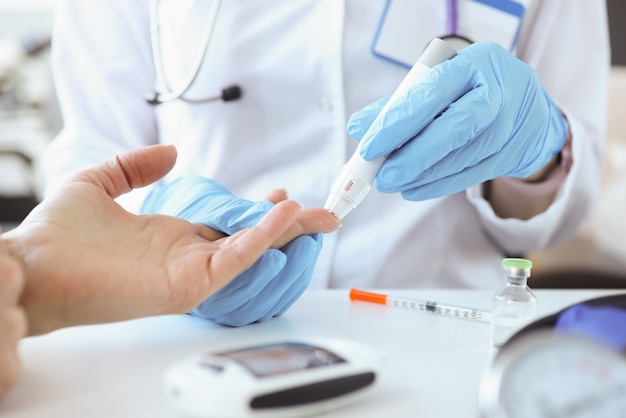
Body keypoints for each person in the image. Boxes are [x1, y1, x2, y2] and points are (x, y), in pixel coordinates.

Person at [43, 2, 610, 322]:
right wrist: (162, 224)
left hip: (439, 328)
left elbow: (567, 208)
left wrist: (535, 151)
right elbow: (92, 157)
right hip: (191, 335)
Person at [0, 144, 339, 400]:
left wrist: (27, 265)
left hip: (384, 288)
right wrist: (152, 208)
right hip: (169, 331)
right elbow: (89, 142)